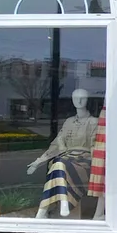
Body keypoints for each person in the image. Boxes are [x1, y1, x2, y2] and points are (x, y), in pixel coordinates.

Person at [28, 87, 100, 218]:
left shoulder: (93, 122)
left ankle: (44, 209)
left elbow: (96, 146)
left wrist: (99, 167)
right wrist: (38, 162)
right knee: (59, 165)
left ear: (87, 100)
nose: (79, 101)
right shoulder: (68, 122)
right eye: (76, 98)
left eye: (82, 98)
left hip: (84, 162)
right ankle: (63, 202)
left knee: (59, 165)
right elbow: (56, 145)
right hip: (66, 159)